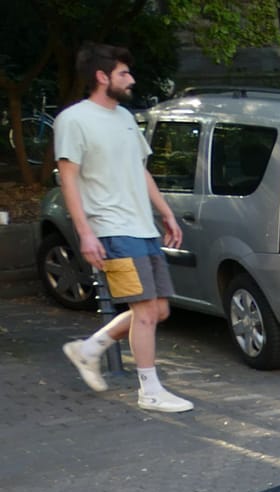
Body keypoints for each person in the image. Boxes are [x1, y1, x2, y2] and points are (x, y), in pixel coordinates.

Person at [54, 43, 191, 412]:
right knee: (145, 312)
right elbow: (69, 179)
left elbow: (140, 169)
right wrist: (85, 233)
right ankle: (149, 389)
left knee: (159, 310)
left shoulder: (126, 117)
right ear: (102, 77)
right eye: (123, 74)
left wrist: (165, 212)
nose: (131, 79)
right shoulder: (74, 120)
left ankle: (89, 348)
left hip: (142, 226)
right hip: (112, 229)